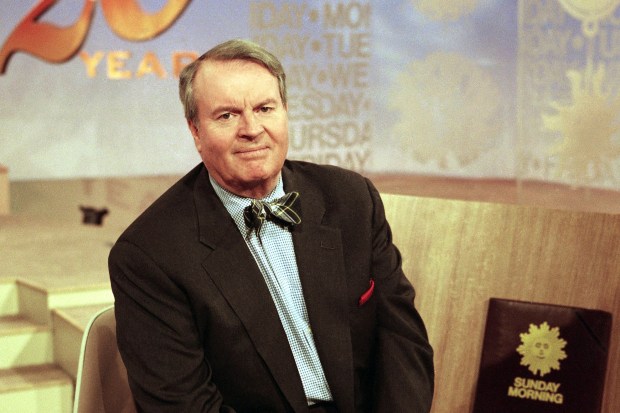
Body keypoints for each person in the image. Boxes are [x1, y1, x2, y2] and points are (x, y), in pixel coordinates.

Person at [109, 38, 434, 413]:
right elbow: (184, 405)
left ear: (285, 113)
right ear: (195, 131)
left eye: (265, 108)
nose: (252, 128)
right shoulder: (150, 255)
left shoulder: (350, 199)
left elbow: (403, 342)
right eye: (227, 115)